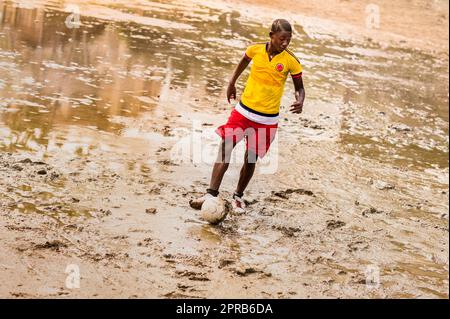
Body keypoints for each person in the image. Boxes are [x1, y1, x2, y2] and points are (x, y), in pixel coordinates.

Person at [190, 18, 305, 214]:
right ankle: (210, 194)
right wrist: (231, 82)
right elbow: (243, 62)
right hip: (243, 112)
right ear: (271, 36)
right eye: (281, 39)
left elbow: (300, 88)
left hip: (266, 120)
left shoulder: (291, 61)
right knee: (225, 147)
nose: (285, 43)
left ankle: (238, 197)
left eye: (288, 40)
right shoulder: (255, 50)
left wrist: (300, 100)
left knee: (250, 158)